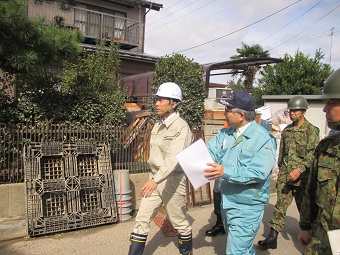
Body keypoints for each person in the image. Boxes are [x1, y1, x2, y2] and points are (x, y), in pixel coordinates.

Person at [204, 90, 277, 255]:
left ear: (241, 114)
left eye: (227, 110)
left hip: (247, 206)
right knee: (242, 248)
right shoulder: (226, 133)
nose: (224, 114)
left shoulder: (263, 138)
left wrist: (225, 171)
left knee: (236, 251)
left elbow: (259, 172)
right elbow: (209, 153)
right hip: (227, 202)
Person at [127, 82, 193, 255]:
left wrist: (154, 181)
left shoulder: (181, 127)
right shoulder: (157, 125)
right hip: (154, 179)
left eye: (161, 99)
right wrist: (153, 179)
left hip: (172, 181)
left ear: (174, 103)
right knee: (142, 219)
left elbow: (173, 159)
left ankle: (186, 252)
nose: (156, 103)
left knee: (179, 223)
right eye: (156, 99)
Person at [257, 96, 320, 250]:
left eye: (295, 110)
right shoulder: (287, 131)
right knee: (280, 206)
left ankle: (313, 238)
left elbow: (312, 154)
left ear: (303, 112)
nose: (292, 113)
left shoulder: (312, 131)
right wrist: (280, 170)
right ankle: (273, 237)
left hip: (302, 178)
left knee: (304, 208)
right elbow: (282, 154)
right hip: (286, 176)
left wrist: (299, 169)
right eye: (290, 110)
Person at [298, 69, 340, 255]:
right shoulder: (327, 147)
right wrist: (305, 225)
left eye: (331, 102)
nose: (324, 109)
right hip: (322, 237)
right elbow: (311, 190)